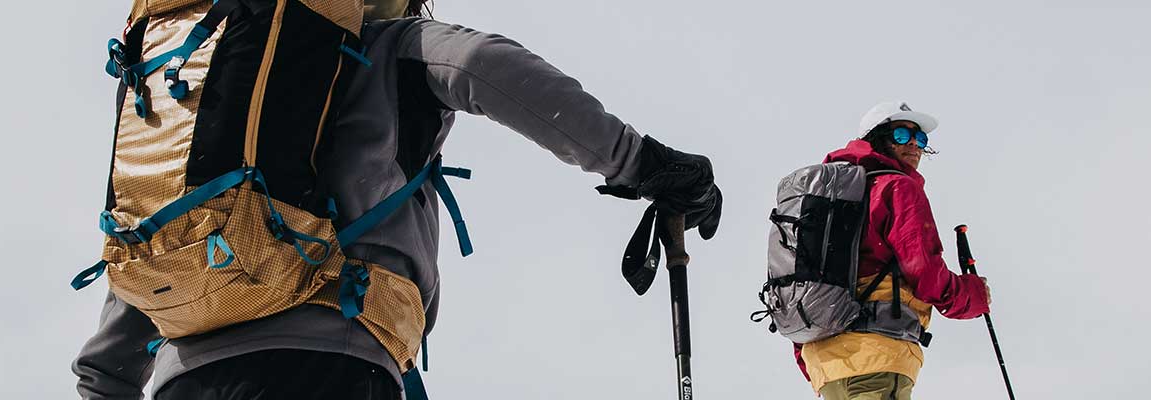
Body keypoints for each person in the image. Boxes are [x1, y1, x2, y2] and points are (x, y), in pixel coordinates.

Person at [73, 1, 724, 399]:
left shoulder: (213, 127)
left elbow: (105, 368)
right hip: (324, 369)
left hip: (185, 382)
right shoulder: (392, 48)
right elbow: (482, 69)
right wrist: (645, 164)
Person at [793, 102, 990, 400]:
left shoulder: (826, 200)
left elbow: (802, 281)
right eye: (901, 134)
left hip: (826, 365)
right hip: (876, 357)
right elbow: (924, 271)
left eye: (920, 139)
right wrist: (970, 295)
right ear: (877, 138)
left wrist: (810, 358)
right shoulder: (896, 187)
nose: (913, 143)